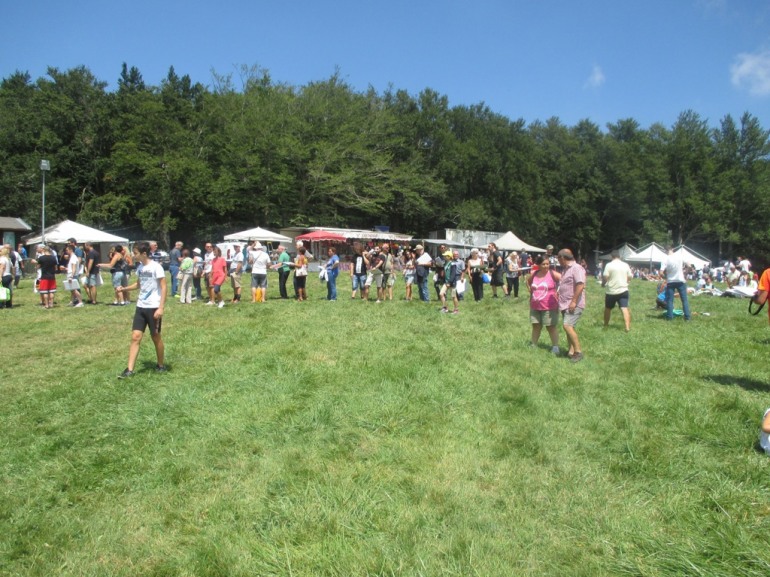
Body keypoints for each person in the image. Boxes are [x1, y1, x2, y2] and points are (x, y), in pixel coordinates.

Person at [116, 243, 166, 378]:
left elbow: (164, 286)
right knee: (135, 337)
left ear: (144, 253)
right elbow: (139, 284)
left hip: (153, 306)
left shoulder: (156, 267)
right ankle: (129, 370)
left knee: (155, 337)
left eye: (136, 253)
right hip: (141, 306)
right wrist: (124, 289)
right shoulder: (140, 267)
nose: (133, 255)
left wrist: (161, 307)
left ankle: (161, 365)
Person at [527, 254, 561, 354]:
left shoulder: (552, 273)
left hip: (549, 306)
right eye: (543, 264)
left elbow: (564, 280)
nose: (546, 266)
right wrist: (531, 291)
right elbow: (528, 281)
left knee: (550, 326)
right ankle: (533, 344)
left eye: (547, 264)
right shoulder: (534, 273)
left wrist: (559, 292)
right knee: (536, 325)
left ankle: (555, 346)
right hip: (535, 305)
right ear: (538, 265)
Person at [557, 249, 586, 362]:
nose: (559, 262)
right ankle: (571, 351)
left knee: (567, 326)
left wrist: (573, 301)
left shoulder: (576, 268)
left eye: (559, 259)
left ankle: (578, 352)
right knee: (569, 327)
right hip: (565, 303)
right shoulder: (566, 269)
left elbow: (580, 285)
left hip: (573, 303)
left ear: (563, 258)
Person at [602, 250, 633, 331]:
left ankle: (605, 325)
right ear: (619, 256)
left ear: (611, 256)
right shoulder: (625, 265)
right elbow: (630, 276)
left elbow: (605, 276)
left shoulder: (609, 265)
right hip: (623, 289)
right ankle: (627, 327)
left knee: (608, 308)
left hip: (611, 291)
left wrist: (604, 283)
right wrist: (627, 281)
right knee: (624, 308)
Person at [661, 245, 691, 321]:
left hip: (671, 281)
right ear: (672, 249)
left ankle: (670, 317)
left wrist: (666, 278)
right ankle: (687, 317)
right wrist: (685, 273)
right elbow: (689, 265)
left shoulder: (665, 258)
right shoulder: (680, 256)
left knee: (670, 300)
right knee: (684, 300)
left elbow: (661, 272)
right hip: (680, 280)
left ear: (665, 251)